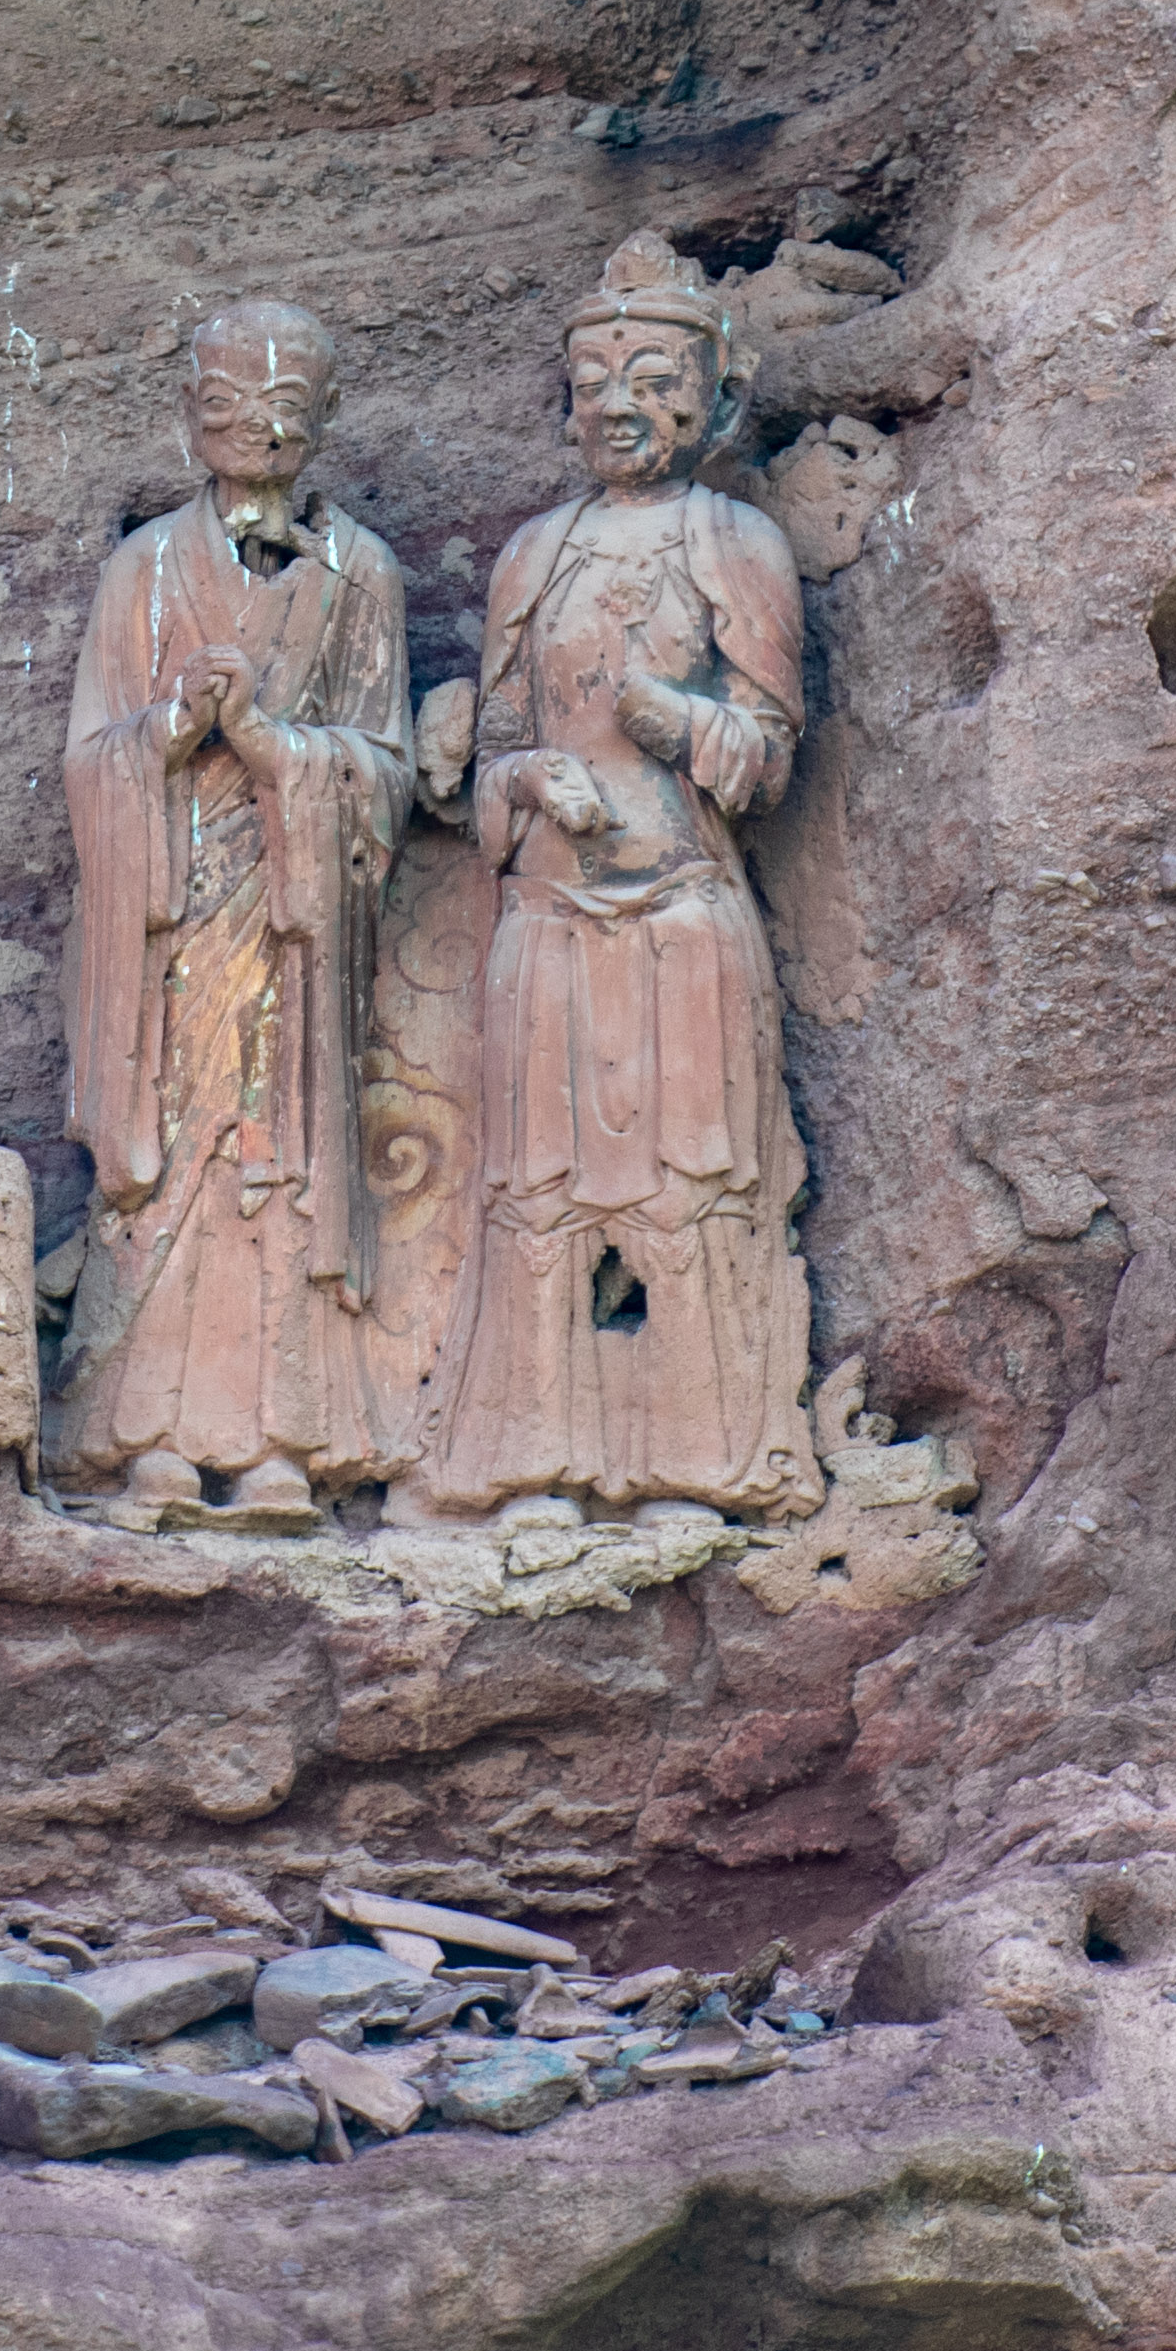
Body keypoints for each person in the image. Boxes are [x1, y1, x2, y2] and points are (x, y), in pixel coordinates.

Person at [417, 236, 824, 1525]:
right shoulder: (534, 555)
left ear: (714, 397)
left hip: (683, 916)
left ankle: (699, 1465)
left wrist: (681, 723)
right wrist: (531, 781)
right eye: (594, 379)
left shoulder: (734, 541)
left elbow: (768, 763)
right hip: (547, 910)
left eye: (652, 376)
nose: (618, 403)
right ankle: (528, 1462)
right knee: (534, 1196)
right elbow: (484, 766)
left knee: (690, 1188)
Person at [56, 304, 416, 1525]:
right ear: (187, 418)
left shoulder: (361, 575)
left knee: (282, 1159)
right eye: (226, 407)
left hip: (295, 916)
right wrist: (175, 726)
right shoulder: (143, 569)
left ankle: (282, 1441)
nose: (255, 429)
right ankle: (141, 1435)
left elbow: (388, 763)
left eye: (282, 408)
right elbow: (88, 757)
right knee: (168, 1153)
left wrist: (273, 745)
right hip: (167, 913)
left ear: (319, 420)